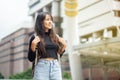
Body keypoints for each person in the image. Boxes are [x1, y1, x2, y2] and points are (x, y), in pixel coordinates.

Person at [28, 12, 67, 80]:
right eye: (47, 19)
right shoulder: (35, 37)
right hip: (42, 67)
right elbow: (31, 58)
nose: (50, 22)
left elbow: (58, 56)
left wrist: (64, 46)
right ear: (41, 22)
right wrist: (33, 46)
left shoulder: (56, 37)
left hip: (55, 66)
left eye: (51, 20)